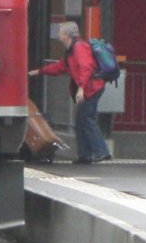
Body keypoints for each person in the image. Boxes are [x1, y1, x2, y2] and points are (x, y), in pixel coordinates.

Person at [29, 21, 112, 164]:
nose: (58, 35)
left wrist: (81, 88)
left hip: (92, 88)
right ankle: (86, 154)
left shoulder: (79, 48)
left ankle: (101, 152)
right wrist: (39, 71)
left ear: (67, 35)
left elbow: (86, 68)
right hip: (91, 87)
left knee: (86, 118)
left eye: (60, 32)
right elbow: (61, 66)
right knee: (81, 120)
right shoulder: (72, 50)